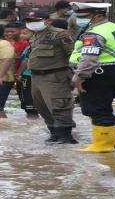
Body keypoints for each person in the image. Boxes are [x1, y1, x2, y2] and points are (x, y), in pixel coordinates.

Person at [69, 2, 115, 153]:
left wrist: (78, 77)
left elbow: (89, 58)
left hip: (98, 74)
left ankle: (103, 144)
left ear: (98, 16)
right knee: (104, 106)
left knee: (97, 109)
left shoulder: (94, 33)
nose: (79, 19)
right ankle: (110, 140)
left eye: (84, 16)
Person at [25, 11, 78, 144]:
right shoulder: (36, 35)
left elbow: (73, 54)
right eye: (29, 21)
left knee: (59, 105)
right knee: (41, 105)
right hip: (36, 77)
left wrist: (75, 75)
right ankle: (54, 133)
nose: (31, 23)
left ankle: (65, 136)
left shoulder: (60, 34)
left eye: (35, 20)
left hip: (55, 76)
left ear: (48, 21)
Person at [12, 26, 39, 119]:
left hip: (28, 75)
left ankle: (32, 120)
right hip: (30, 75)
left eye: (25, 33)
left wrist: (18, 73)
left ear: (34, 33)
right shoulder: (29, 45)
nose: (22, 35)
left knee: (28, 99)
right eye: (21, 33)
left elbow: (27, 60)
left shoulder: (33, 45)